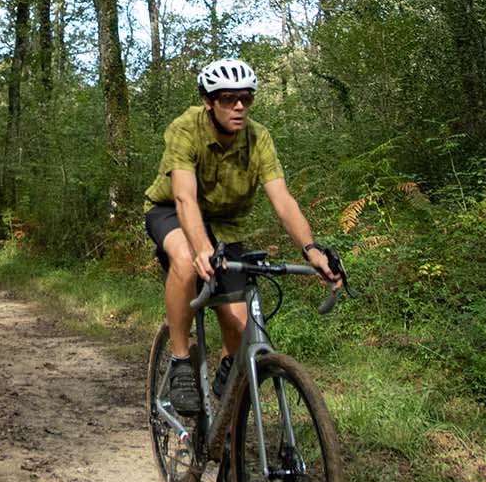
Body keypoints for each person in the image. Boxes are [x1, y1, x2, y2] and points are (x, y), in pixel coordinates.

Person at [144, 58, 344, 415]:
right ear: (209, 102)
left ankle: (223, 396)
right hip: (171, 212)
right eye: (228, 99)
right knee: (187, 264)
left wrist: (311, 249)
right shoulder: (185, 128)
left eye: (246, 99)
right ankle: (180, 362)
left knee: (237, 324)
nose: (239, 107)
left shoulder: (258, 137)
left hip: (225, 226)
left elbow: (282, 199)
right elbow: (184, 197)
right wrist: (202, 249)